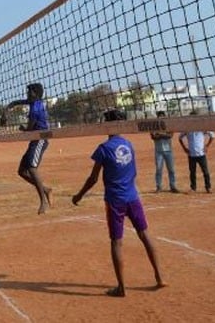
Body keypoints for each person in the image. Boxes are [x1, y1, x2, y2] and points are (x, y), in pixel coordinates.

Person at [72, 109, 166, 297]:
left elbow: (93, 179)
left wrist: (79, 195)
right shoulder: (128, 144)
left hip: (115, 201)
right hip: (133, 197)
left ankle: (121, 288)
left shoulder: (103, 149)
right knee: (144, 234)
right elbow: (133, 171)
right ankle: (160, 277)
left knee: (116, 242)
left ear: (109, 124)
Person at [0, 82, 52, 214]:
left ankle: (43, 202)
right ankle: (45, 189)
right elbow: (14, 103)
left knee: (31, 168)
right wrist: (5, 113)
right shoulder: (32, 102)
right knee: (22, 171)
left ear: (35, 94)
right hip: (34, 140)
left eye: (29, 92)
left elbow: (29, 129)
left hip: (40, 139)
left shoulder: (36, 108)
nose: (27, 94)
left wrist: (23, 128)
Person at [178, 113, 215, 193]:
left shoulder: (202, 127)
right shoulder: (187, 128)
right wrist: (184, 148)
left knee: (205, 172)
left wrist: (207, 146)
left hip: (201, 154)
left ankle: (208, 187)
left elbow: (212, 135)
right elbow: (180, 138)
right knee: (192, 172)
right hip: (191, 154)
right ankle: (193, 188)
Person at [150, 111, 179, 193]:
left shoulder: (168, 126)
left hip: (168, 150)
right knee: (159, 169)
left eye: (162, 117)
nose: (161, 118)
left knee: (171, 169)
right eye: (160, 117)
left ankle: (172, 186)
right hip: (158, 151)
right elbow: (153, 137)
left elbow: (170, 135)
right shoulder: (154, 127)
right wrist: (163, 135)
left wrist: (160, 135)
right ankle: (159, 186)